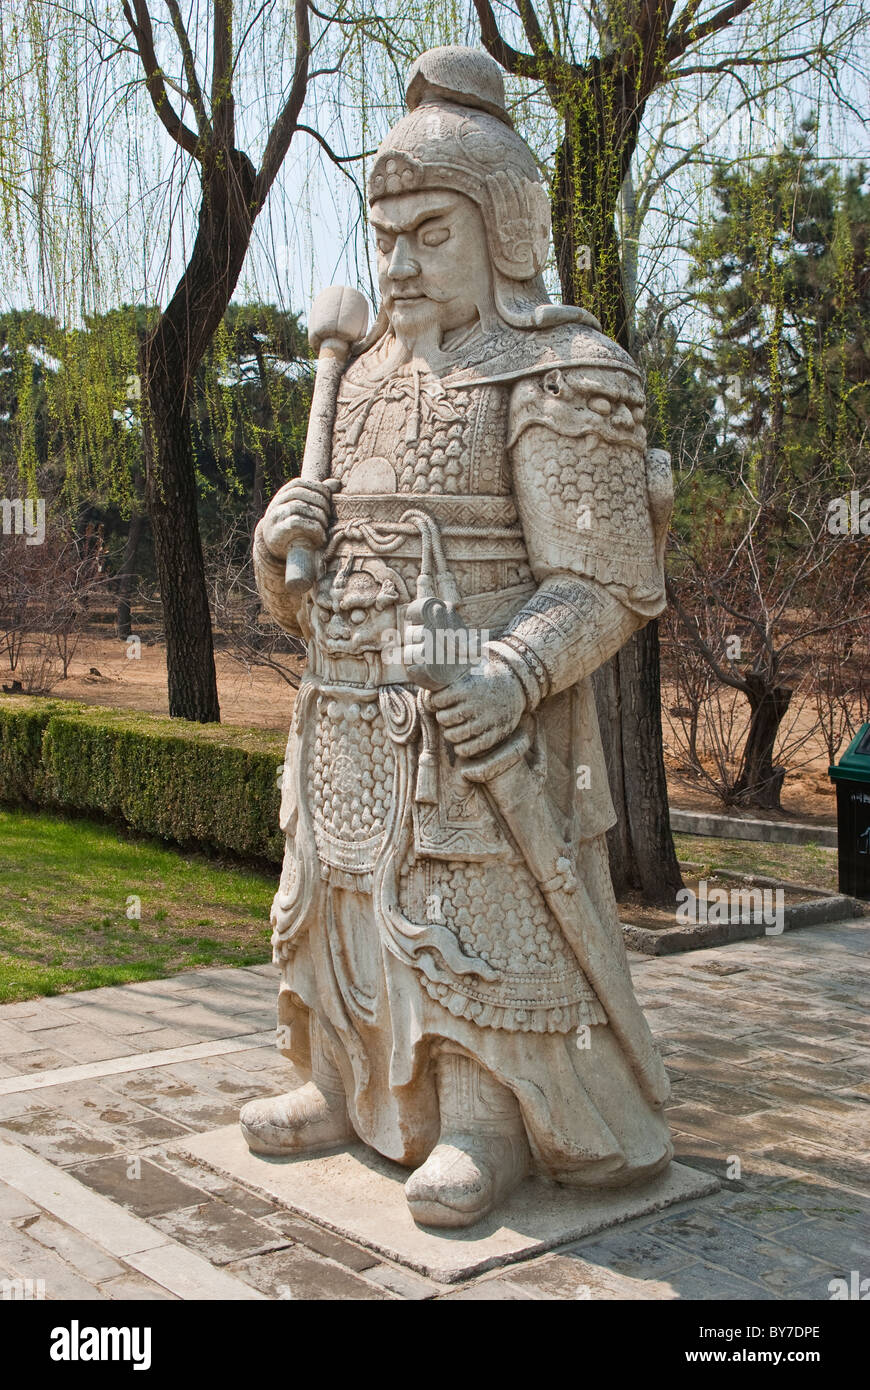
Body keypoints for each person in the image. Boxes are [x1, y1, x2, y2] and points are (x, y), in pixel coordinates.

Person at [240, 44, 674, 1229]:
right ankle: (340, 1078)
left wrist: (513, 667)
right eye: (387, 236)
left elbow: (603, 580)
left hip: (471, 723)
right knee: (335, 899)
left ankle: (487, 1120)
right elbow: (307, 587)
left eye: (432, 232)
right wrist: (281, 550)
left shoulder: (561, 371)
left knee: (471, 915)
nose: (399, 261)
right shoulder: (361, 378)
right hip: (343, 712)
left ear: (505, 230)